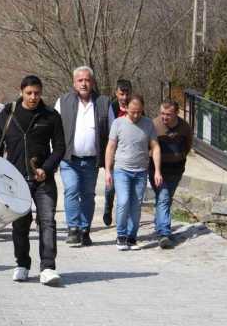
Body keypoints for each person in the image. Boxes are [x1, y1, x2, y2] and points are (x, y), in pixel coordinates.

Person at [0, 75, 65, 285]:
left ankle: (48, 267)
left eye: (37, 93)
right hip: (14, 181)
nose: (33, 97)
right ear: (21, 91)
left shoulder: (50, 116)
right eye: (29, 93)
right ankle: (22, 264)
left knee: (48, 222)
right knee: (20, 225)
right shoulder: (6, 114)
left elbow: (60, 147)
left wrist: (47, 169)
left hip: (43, 179)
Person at [55, 66, 111, 246]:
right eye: (80, 80)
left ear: (93, 82)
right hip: (69, 159)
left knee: (88, 195)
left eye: (87, 80)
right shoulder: (62, 102)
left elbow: (112, 133)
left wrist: (110, 162)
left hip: (92, 160)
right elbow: (53, 130)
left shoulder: (104, 103)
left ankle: (85, 229)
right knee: (71, 190)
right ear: (74, 83)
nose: (84, 83)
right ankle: (73, 228)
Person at [105, 94, 162, 251]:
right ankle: (121, 235)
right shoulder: (118, 123)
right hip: (122, 170)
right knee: (123, 201)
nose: (136, 115)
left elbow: (155, 147)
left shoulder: (148, 124)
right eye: (132, 112)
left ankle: (132, 237)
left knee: (136, 204)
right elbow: (110, 148)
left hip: (141, 171)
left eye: (139, 112)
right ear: (126, 109)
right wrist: (108, 171)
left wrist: (157, 171)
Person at [149, 100, 192, 249]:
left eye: (168, 114)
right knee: (164, 198)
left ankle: (160, 224)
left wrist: (178, 156)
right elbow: (148, 146)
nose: (164, 117)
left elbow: (188, 145)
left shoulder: (185, 127)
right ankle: (164, 234)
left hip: (176, 169)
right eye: (162, 113)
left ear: (176, 113)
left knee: (165, 199)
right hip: (157, 169)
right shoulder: (154, 125)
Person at [103, 79, 133, 226]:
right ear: (116, 93)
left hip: (129, 154)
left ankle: (124, 217)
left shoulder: (135, 108)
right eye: (121, 94)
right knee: (111, 187)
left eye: (127, 94)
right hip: (114, 153)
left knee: (126, 189)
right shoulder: (111, 107)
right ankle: (108, 207)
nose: (124, 97)